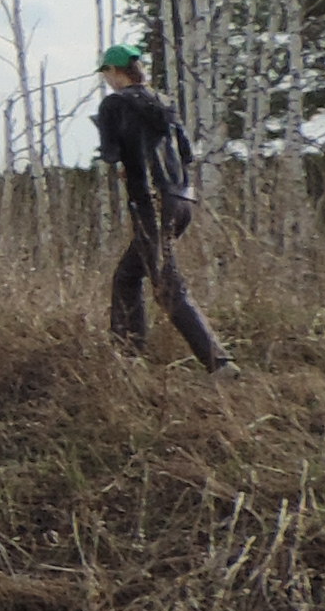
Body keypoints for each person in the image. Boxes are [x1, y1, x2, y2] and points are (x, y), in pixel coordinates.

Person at [91, 41, 234, 371]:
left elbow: (110, 154)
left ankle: (219, 363)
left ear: (115, 71)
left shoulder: (114, 104)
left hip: (153, 203)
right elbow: (186, 154)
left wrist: (118, 155)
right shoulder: (164, 102)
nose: (106, 80)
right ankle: (130, 356)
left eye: (106, 73)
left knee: (167, 287)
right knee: (128, 276)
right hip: (182, 199)